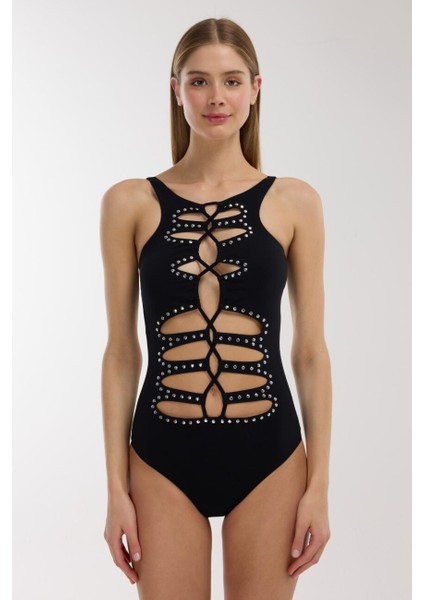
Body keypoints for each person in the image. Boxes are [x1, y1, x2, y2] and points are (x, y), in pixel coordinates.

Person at [100, 17, 332, 600]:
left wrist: (319, 487)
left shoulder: (295, 201)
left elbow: (310, 352)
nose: (215, 98)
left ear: (256, 88)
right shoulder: (129, 202)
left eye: (231, 81)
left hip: (271, 456)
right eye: (198, 81)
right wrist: (114, 489)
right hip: (161, 457)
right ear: (175, 89)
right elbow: (121, 352)